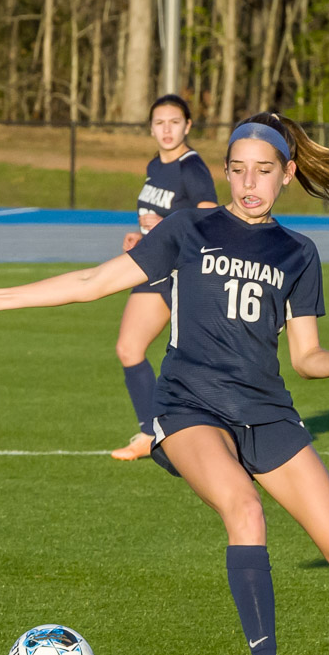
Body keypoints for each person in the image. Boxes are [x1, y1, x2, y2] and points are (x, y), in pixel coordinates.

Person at [0, 112, 329, 655]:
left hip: (266, 412)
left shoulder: (298, 252)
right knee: (243, 506)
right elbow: (93, 282)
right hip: (190, 407)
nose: (249, 184)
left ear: (287, 174)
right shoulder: (188, 228)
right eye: (238, 171)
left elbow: (307, 355)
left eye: (263, 171)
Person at [111, 95, 218, 461]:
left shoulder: (192, 167)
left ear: (188, 126)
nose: (167, 129)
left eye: (175, 122)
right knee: (128, 348)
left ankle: (243, 424)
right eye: (160, 123)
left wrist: (170, 228)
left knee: (206, 357)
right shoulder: (154, 165)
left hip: (184, 272)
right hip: (155, 265)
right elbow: (157, 219)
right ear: (151, 128)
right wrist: (141, 239)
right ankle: (149, 433)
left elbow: (211, 217)